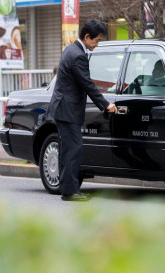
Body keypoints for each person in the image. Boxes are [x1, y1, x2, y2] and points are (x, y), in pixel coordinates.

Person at [48, 19, 117, 201]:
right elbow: (87, 84)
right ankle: (70, 192)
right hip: (68, 109)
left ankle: (67, 189)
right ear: (87, 37)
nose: (97, 43)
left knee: (68, 149)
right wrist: (106, 104)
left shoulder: (70, 49)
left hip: (63, 108)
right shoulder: (78, 55)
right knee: (74, 149)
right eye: (96, 40)